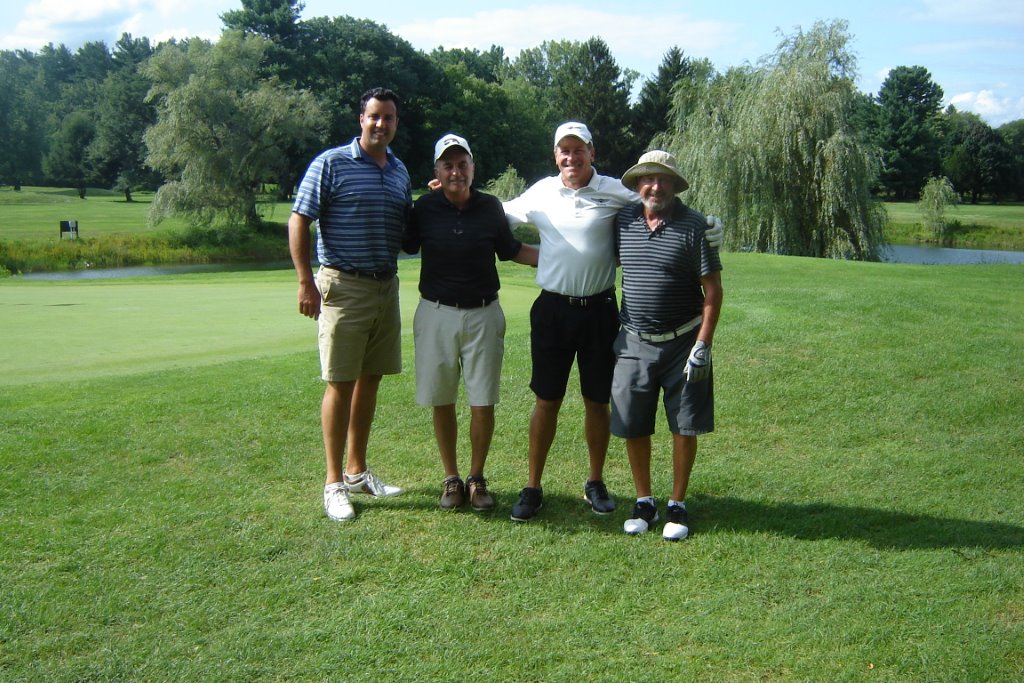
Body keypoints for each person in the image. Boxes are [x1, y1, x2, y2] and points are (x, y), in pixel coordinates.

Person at [502, 122, 725, 522]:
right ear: (556, 156)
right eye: (564, 150)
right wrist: (455, 195)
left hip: (599, 310)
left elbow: (658, 202)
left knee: (597, 400)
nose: (571, 157)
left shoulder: (615, 191)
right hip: (553, 310)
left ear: (592, 152)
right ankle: (532, 486)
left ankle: (595, 482)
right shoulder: (541, 192)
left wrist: (706, 225)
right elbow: (499, 216)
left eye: (579, 150)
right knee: (546, 400)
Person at [288, 87, 411, 522]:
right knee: (340, 382)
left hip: (385, 286)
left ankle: (356, 471)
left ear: (395, 123)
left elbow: (407, 229)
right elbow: (299, 220)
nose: (381, 124)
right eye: (374, 116)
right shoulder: (331, 163)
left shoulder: (399, 171)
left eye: (389, 117)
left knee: (370, 378)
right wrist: (305, 282)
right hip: (343, 285)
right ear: (361, 119)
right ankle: (333, 483)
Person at [403, 134, 539, 511]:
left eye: (462, 164)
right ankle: (451, 478)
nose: (456, 172)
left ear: (473, 168)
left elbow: (511, 250)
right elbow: (405, 243)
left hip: (483, 314)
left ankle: (476, 478)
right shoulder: (424, 207)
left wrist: (564, 257)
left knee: (482, 401)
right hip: (436, 313)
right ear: (437, 171)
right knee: (441, 399)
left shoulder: (490, 206)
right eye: (448, 165)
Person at [611, 150, 723, 541]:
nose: (655, 186)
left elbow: (713, 291)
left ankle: (677, 502)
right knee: (633, 423)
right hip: (633, 341)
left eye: (663, 179)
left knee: (684, 424)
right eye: (648, 178)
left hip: (684, 342)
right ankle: (644, 500)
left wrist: (703, 344)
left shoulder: (694, 226)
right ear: (637, 184)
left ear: (674, 185)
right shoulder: (623, 220)